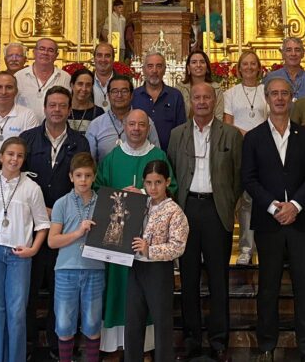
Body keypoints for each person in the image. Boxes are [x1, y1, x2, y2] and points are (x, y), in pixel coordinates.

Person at [241, 77, 305, 362]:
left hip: (302, 220)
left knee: (304, 285)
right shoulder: (253, 137)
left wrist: (296, 205)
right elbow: (248, 179)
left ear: (292, 98)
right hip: (269, 222)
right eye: (274, 94)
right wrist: (275, 207)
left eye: (284, 93)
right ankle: (266, 346)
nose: (279, 98)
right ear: (266, 98)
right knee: (268, 286)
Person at [168, 82, 243, 362]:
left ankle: (219, 338)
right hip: (186, 210)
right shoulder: (177, 134)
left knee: (218, 278)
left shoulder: (231, 135)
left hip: (216, 210)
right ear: (191, 102)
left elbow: (238, 177)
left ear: (215, 101)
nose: (201, 102)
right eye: (197, 97)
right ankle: (191, 338)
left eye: (206, 98)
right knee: (188, 278)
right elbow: (172, 175)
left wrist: (227, 203)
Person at [94, 109, 175, 353]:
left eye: (141, 124)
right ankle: (114, 346)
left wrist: (142, 194)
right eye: (132, 124)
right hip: (118, 238)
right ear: (124, 127)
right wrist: (121, 196)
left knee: (145, 293)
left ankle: (146, 347)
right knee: (119, 286)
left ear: (148, 128)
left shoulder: (158, 155)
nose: (136, 129)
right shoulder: (112, 157)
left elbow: (174, 187)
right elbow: (98, 189)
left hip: (150, 239)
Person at [22, 86, 92, 359]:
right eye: (52, 105)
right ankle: (27, 343)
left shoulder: (80, 142)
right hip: (32, 228)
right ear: (45, 107)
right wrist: (43, 210)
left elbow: (83, 183)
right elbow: (20, 181)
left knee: (60, 291)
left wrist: (60, 213)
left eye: (62, 105)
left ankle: (58, 344)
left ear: (69, 108)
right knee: (28, 291)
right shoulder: (27, 140)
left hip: (66, 229)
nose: (57, 110)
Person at [0, 137, 50, 362]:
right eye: (10, 154)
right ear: (1, 156)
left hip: (20, 255)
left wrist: (34, 249)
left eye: (19, 155)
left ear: (23, 160)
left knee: (16, 312)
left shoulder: (31, 188)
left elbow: (42, 224)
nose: (14, 159)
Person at [125, 160, 189, 362]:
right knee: (133, 323)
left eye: (158, 182)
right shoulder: (139, 203)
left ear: (167, 182)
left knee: (162, 324)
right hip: (136, 268)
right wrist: (123, 197)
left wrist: (150, 250)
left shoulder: (174, 211)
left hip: (159, 272)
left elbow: (178, 246)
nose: (153, 188)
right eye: (149, 182)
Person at [48, 153, 105, 362]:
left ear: (94, 177)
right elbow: (52, 241)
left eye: (88, 175)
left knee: (92, 322)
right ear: (71, 177)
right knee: (64, 324)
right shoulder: (61, 204)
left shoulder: (104, 203)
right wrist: (78, 233)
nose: (83, 180)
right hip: (65, 270)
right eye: (79, 175)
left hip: (95, 269)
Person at [223, 50, 267, 266]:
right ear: (239, 68)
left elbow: (272, 119)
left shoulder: (266, 90)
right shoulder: (231, 93)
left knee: (263, 198)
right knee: (245, 201)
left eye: (253, 64)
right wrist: (247, 136)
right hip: (240, 149)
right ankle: (246, 248)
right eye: (245, 64)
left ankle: (263, 246)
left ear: (259, 68)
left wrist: (257, 137)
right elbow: (227, 124)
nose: (249, 68)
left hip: (264, 151)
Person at [85, 75, 160, 161]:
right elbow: (89, 162)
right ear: (108, 96)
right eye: (114, 91)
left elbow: (156, 156)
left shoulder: (145, 122)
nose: (119, 95)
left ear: (132, 95)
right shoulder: (96, 125)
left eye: (124, 91)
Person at [133, 52, 187, 150]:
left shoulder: (175, 96)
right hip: (139, 155)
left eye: (159, 66)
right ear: (143, 70)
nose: (154, 70)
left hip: (169, 155)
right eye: (150, 66)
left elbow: (182, 129)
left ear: (165, 70)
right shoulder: (134, 96)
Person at [15, 38, 72, 120]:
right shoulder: (19, 77)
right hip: (24, 129)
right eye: (42, 49)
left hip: (55, 129)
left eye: (50, 50)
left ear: (56, 55)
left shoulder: (65, 77)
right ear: (34, 52)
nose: (45, 53)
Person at [179, 50, 226, 119]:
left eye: (202, 62)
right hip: (185, 129)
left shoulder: (216, 88)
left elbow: (219, 116)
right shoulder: (180, 88)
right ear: (188, 68)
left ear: (207, 68)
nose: (198, 65)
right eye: (194, 62)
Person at [69, 68, 105, 136]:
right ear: (72, 85)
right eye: (80, 84)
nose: (84, 89)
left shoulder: (98, 113)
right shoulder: (62, 110)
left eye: (88, 85)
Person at [91, 42, 117, 109]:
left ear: (113, 59)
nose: (103, 60)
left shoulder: (122, 82)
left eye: (107, 56)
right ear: (94, 59)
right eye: (99, 55)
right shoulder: (87, 81)